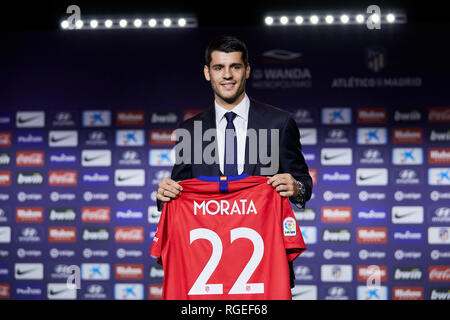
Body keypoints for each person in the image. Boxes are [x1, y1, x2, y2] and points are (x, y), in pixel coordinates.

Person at [156, 35, 313, 287]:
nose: (227, 75)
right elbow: (179, 189)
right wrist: (164, 195)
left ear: (247, 70)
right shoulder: (190, 130)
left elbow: (304, 181)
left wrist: (297, 187)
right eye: (219, 67)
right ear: (207, 73)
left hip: (265, 270)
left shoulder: (279, 123)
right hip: (204, 273)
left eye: (235, 67)